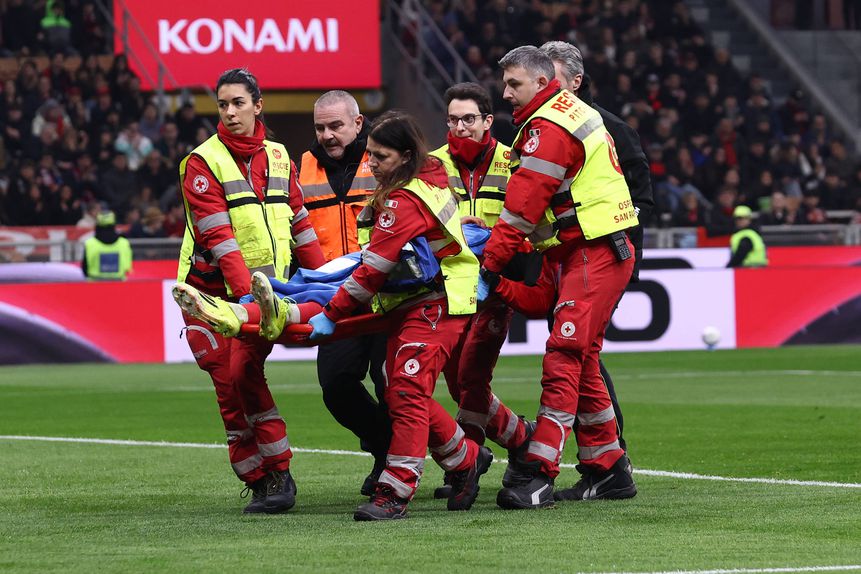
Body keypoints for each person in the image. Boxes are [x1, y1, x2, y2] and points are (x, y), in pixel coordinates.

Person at [253, 111, 494, 520]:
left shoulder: (401, 202)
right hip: (415, 298)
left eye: (379, 157)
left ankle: (395, 491)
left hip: (434, 302)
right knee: (402, 387)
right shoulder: (427, 176)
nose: (371, 164)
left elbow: (371, 271)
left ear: (403, 156)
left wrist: (332, 315)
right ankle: (466, 459)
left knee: (404, 392)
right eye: (370, 155)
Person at [481, 46, 637, 509]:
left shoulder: (548, 128)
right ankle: (607, 467)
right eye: (505, 84)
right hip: (584, 247)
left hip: (591, 248)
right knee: (582, 358)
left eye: (514, 84)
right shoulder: (565, 113)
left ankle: (538, 471)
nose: (505, 93)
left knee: (564, 355)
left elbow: (521, 209)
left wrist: (490, 265)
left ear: (542, 80)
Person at [170, 68, 326, 514]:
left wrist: (326, 284)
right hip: (207, 296)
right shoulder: (202, 162)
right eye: (223, 104)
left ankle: (273, 474)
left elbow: (300, 225)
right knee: (230, 382)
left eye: (238, 102)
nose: (230, 111)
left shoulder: (279, 156)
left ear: (258, 105)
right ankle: (266, 477)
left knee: (242, 376)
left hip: (261, 295)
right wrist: (248, 300)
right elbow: (220, 239)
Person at [540, 40, 654, 472]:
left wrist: (621, 245)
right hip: (564, 254)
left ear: (575, 81)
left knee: (578, 347)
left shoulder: (610, 129)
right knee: (578, 348)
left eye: (549, 78)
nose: (543, 87)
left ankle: (611, 450)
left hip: (603, 251)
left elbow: (641, 198)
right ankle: (605, 456)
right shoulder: (539, 126)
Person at [429, 82, 531, 498]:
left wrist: (491, 237)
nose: (460, 127)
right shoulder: (432, 165)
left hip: (493, 288)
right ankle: (522, 439)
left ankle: (466, 464)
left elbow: (531, 223)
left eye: (468, 119)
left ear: (488, 120)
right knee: (457, 382)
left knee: (470, 379)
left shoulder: (516, 161)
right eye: (453, 120)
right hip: (447, 289)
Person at [299, 90, 390, 495]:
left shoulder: (387, 156)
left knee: (393, 386)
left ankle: (393, 464)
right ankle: (386, 445)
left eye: (336, 126)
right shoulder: (303, 166)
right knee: (336, 387)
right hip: (335, 299)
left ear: (358, 123)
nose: (327, 135)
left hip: (390, 292)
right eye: (320, 127)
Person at [81, 210, 132, 280]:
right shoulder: (124, 243)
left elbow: (85, 270)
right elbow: (127, 268)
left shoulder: (90, 244)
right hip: (119, 287)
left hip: (94, 287)